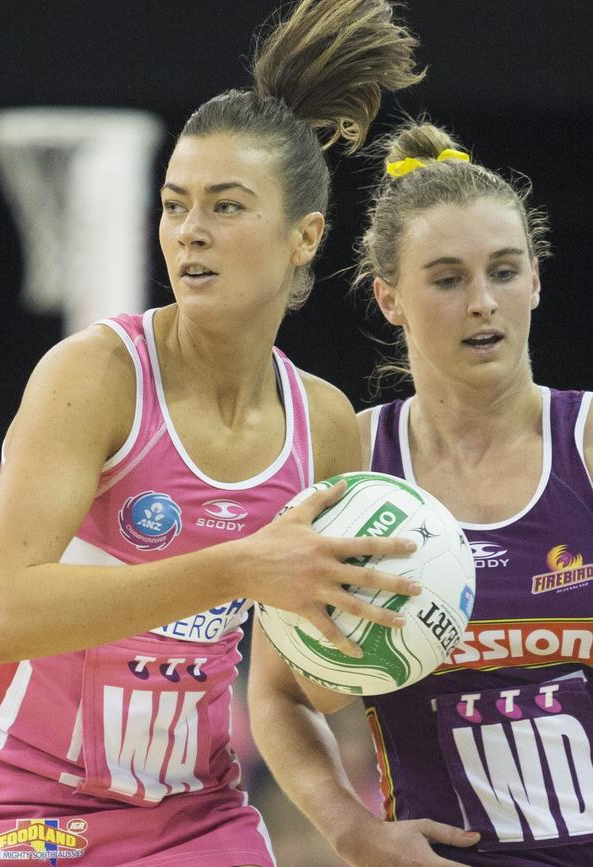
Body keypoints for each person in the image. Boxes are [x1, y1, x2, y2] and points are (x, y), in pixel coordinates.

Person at [0, 2, 424, 865]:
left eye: (226, 206)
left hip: (193, 811)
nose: (190, 231)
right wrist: (240, 566)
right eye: (176, 205)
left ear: (303, 238)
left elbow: (299, 682)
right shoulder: (96, 375)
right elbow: (0, 615)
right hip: (13, 785)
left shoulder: (322, 423)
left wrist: (394, 623)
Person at [248, 118, 593, 866]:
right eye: (446, 278)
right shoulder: (350, 466)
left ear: (536, 277)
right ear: (389, 298)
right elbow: (279, 693)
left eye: (504, 271)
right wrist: (350, 827)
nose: (482, 301)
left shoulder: (588, 443)